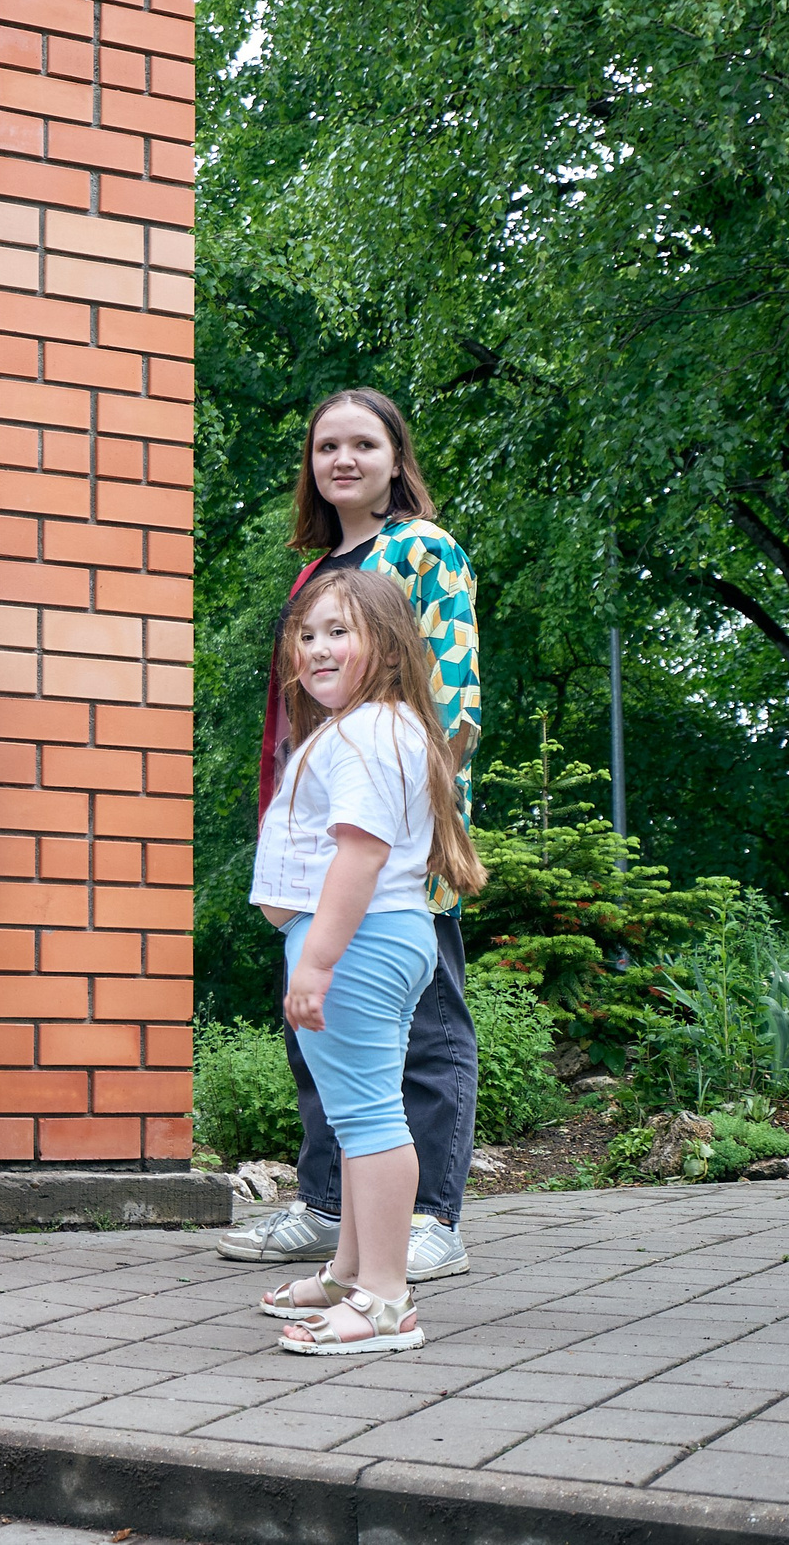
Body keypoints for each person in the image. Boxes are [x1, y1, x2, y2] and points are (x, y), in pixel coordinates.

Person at [219, 388, 484, 1280]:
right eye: (325, 445)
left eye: (362, 443)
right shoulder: (320, 567)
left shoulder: (424, 551)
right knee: (319, 1019)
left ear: (395, 457)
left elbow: (452, 697)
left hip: (392, 835)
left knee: (427, 1024)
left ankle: (431, 1218)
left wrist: (419, 822)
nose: (342, 459)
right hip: (320, 826)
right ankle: (331, 1206)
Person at [251, 570, 488, 1354]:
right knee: (361, 1116)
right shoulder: (374, 727)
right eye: (309, 633)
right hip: (375, 938)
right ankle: (354, 1268)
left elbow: (360, 854)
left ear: (385, 648)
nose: (317, 648)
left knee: (370, 1119)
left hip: (352, 942)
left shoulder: (362, 734)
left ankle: (387, 1299)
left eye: (339, 632)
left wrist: (315, 962)